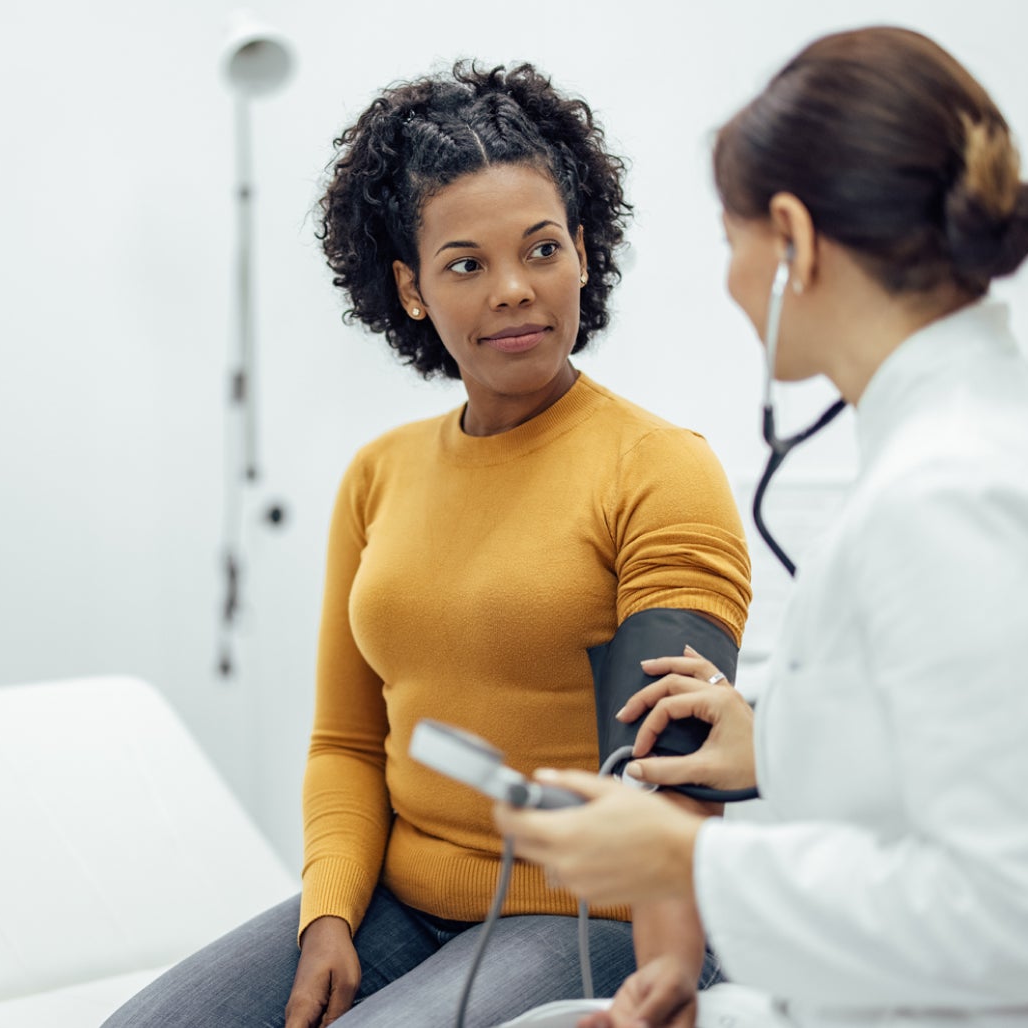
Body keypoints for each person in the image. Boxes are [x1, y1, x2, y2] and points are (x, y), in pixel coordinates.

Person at [102, 62, 750, 1028]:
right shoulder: (380, 475)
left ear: (582, 253)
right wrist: (329, 916)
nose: (514, 291)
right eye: (465, 264)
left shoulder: (658, 468)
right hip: (401, 903)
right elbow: (346, 740)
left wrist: (668, 973)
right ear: (410, 287)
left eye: (542, 249)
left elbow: (670, 774)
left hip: (594, 915)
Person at [494, 25, 1028, 1028]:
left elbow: (1013, 909)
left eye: (730, 238)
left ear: (793, 238)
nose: (732, 278)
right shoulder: (960, 448)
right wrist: (777, 741)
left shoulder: (947, 493)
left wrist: (687, 859)